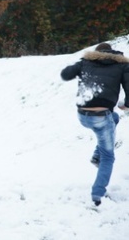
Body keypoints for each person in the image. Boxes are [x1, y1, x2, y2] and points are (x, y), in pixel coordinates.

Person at [61, 42, 129, 206]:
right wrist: (127, 104)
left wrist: (81, 64)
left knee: (114, 118)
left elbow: (65, 74)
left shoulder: (86, 62)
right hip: (101, 116)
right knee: (108, 157)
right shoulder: (122, 65)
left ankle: (96, 156)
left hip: (83, 115)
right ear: (112, 52)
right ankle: (97, 195)